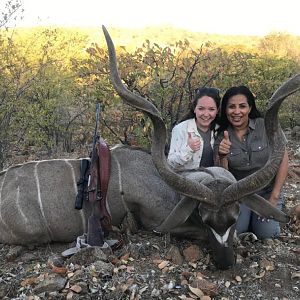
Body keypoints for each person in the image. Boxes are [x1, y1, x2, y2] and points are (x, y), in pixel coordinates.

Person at [214, 85, 289, 239]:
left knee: (266, 235)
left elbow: (283, 158)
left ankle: (269, 216)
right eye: (231, 107)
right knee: (237, 232)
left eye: (242, 106)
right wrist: (222, 155)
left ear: (250, 107)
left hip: (268, 191)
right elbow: (223, 176)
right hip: (241, 195)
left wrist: (274, 197)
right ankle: (249, 219)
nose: (236, 112)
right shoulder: (222, 136)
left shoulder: (266, 125)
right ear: (225, 110)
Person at [167, 87, 221, 171]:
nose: (206, 114)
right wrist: (189, 149)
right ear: (195, 109)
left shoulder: (220, 130)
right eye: (201, 109)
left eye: (211, 109)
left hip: (213, 180)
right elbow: (171, 164)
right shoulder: (181, 129)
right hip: (186, 180)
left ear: (217, 110)